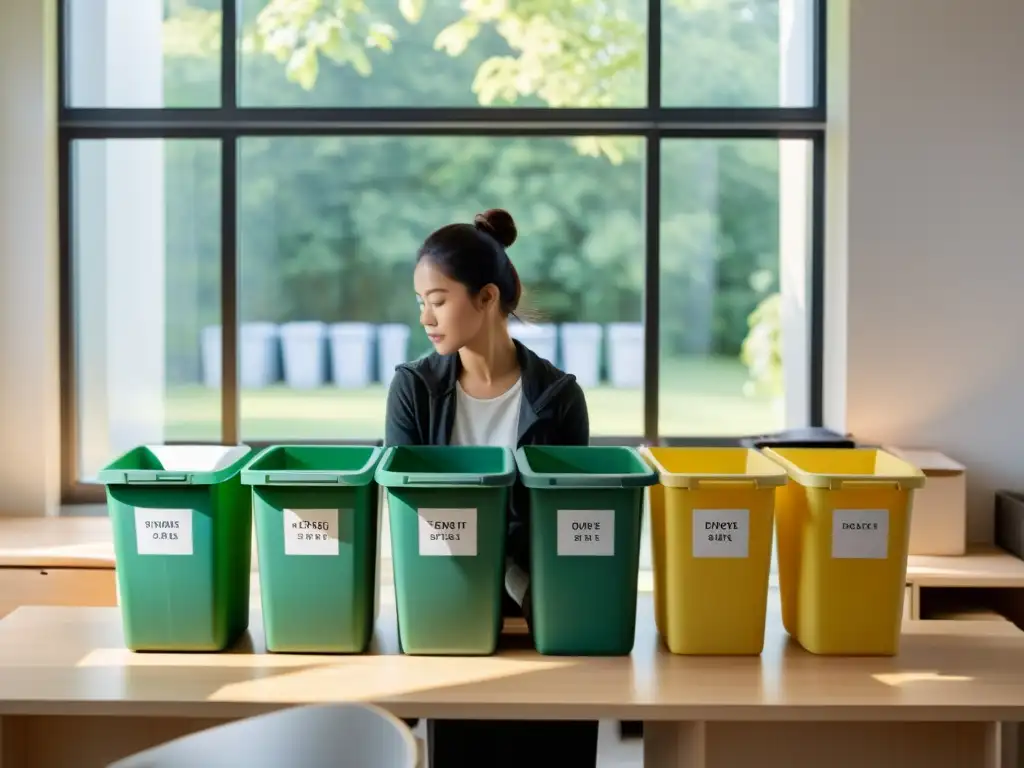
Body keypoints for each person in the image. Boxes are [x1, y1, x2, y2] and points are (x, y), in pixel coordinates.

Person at [384, 208, 598, 767]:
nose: (427, 317)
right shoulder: (414, 390)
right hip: (450, 607)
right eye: (421, 302)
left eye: (438, 298)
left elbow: (568, 523)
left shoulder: (559, 397)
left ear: (485, 298)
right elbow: (415, 512)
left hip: (537, 615)